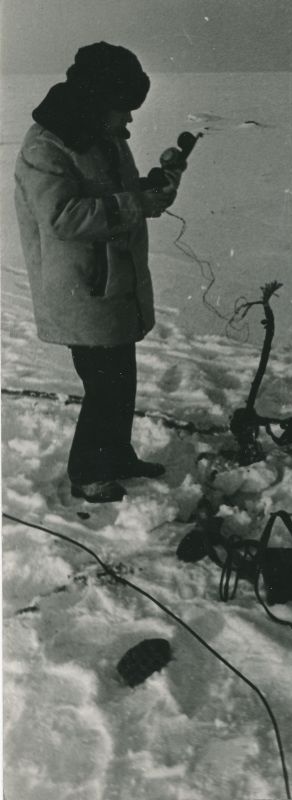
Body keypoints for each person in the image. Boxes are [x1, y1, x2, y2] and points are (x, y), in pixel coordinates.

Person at [14, 42, 185, 503]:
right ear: (95, 101)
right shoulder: (45, 146)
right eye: (122, 109)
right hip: (83, 290)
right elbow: (63, 217)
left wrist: (157, 187)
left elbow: (123, 198)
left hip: (115, 285)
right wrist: (135, 203)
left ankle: (117, 456)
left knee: (121, 380)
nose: (129, 120)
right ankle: (88, 472)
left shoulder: (102, 139)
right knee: (104, 387)